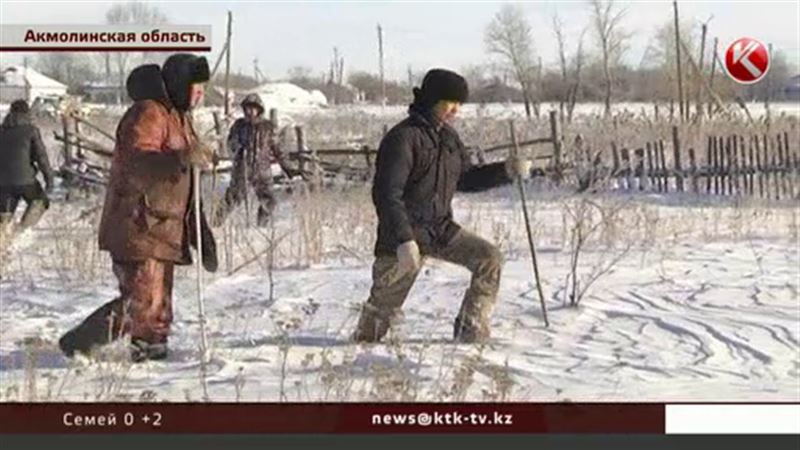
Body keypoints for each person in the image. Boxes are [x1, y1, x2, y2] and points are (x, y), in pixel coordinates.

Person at [353, 68, 532, 344]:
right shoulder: (403, 139)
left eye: (459, 103)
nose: (456, 110)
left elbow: (466, 178)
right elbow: (387, 194)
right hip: (402, 237)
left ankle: (470, 330)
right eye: (450, 102)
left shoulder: (449, 139)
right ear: (433, 100)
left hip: (440, 229)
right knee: (376, 325)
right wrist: (403, 240)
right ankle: (358, 354)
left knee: (489, 258)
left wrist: (505, 171)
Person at [58, 54, 218, 362]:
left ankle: (152, 351)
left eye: (202, 89)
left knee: (158, 300)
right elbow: (136, 163)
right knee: (141, 300)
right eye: (196, 87)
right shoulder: (148, 113)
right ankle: (79, 344)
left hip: (164, 226)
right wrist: (182, 157)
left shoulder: (180, 118)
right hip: (137, 221)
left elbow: (186, 173)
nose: (200, 94)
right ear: (180, 84)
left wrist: (200, 227)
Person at [213, 93, 290, 227]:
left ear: (259, 109)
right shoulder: (239, 125)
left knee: (269, 201)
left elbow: (278, 149)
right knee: (232, 198)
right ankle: (215, 224)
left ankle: (262, 227)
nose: (250, 112)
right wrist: (238, 146)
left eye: (253, 108)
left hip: (262, 171)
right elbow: (230, 145)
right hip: (242, 169)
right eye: (247, 108)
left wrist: (287, 167)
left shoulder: (268, 127)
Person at [0, 99, 54, 246]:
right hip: (26, 182)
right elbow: (41, 157)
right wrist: (49, 180)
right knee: (40, 201)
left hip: (2, 184)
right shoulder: (31, 131)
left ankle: (3, 242)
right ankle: (22, 231)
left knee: (4, 216)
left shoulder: (2, 130)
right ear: (27, 112)